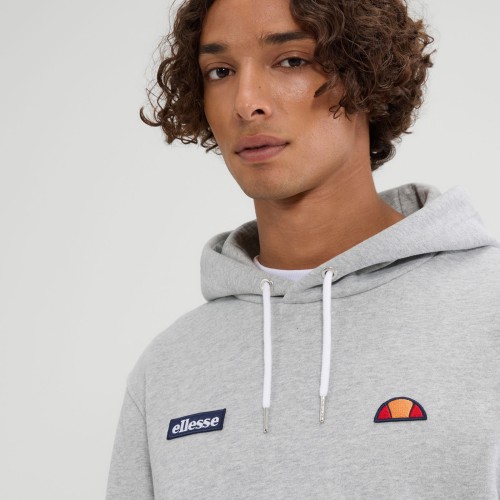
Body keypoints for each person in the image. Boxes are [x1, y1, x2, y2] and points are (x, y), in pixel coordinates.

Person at [106, 0, 500, 498]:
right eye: (220, 71)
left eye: (290, 60)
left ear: (366, 71)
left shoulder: (488, 311)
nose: (246, 102)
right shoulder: (167, 368)